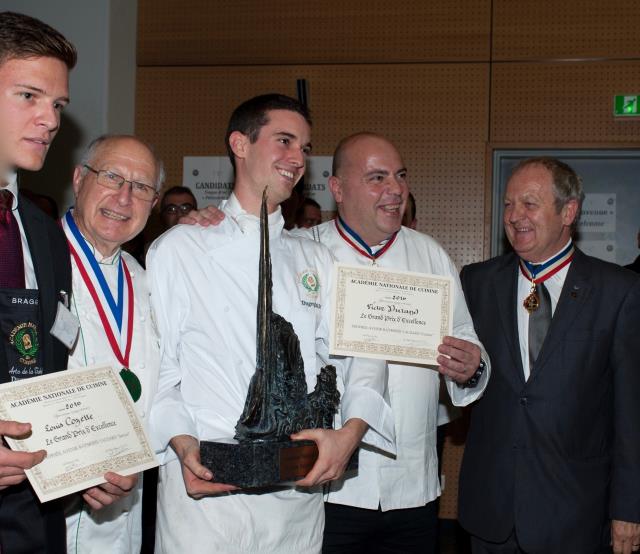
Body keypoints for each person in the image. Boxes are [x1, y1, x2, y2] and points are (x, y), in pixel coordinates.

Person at [146, 94, 395, 553]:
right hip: (206, 498)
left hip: (295, 501)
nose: (298, 158)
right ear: (240, 144)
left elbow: (363, 353)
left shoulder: (316, 258)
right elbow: (160, 368)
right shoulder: (179, 250)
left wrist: (349, 434)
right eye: (284, 141)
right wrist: (183, 447)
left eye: (304, 146)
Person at [294, 132, 489, 553]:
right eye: (377, 178)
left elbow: (469, 343)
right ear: (338, 189)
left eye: (400, 176)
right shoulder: (302, 253)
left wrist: (471, 365)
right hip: (326, 488)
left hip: (412, 488)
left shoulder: (431, 255)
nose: (396, 190)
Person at [458, 157, 640, 554]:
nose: (515, 216)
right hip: (492, 511)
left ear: (568, 212)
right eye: (508, 205)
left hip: (574, 513)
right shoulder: (476, 283)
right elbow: (467, 377)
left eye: (529, 203)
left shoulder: (618, 292)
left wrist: (629, 508)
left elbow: (632, 413)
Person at [61, 135, 164, 553]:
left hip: (125, 509)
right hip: (47, 515)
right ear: (79, 178)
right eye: (112, 177)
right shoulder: (32, 263)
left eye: (141, 188)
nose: (124, 197)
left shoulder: (146, 279)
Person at [0, 11, 76, 552]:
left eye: (57, 105)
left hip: (33, 513)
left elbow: (53, 363)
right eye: (29, 96)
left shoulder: (46, 237)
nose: (49, 120)